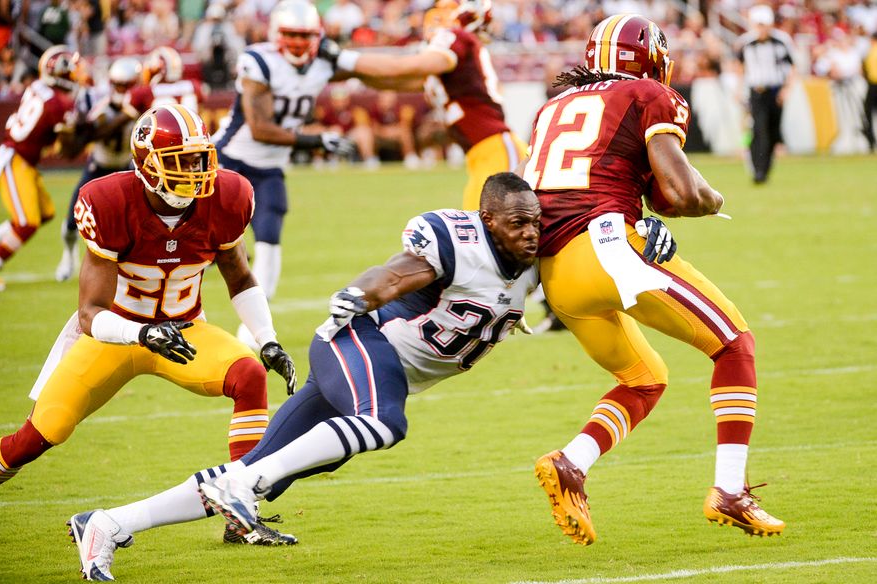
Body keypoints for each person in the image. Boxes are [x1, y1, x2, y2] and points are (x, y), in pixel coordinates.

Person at [66, 172, 544, 581]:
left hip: (379, 368)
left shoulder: (540, 264)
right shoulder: (458, 242)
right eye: (518, 222)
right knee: (384, 422)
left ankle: (106, 523)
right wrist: (360, 293)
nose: (530, 233)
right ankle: (241, 487)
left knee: (253, 474)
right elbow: (395, 275)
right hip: (359, 341)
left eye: (536, 222)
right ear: (487, 221)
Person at [523, 14, 785, 546]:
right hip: (608, 250)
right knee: (735, 345)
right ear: (651, 59)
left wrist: (650, 205)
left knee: (645, 377)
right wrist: (713, 201)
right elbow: (683, 193)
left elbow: (612, 174)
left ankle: (572, 463)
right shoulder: (648, 93)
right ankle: (729, 490)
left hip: (554, 275)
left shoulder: (552, 107)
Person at [0, 106, 298, 552]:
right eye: (181, 160)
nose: (196, 171)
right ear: (147, 164)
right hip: (113, 334)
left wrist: (268, 339)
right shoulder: (109, 201)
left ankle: (242, 515)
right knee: (41, 434)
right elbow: (90, 314)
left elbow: (239, 276)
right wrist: (141, 334)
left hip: (183, 331)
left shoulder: (227, 197)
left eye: (199, 159)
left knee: (249, 374)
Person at [210, 0, 356, 347]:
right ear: (276, 33)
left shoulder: (322, 64)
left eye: (303, 35)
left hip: (270, 167)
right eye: (290, 34)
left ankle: (252, 332)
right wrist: (316, 140)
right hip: (229, 161)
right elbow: (259, 128)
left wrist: (429, 63)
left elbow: (369, 69)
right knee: (201, 243)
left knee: (270, 242)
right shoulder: (258, 61)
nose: (296, 42)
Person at [326, 0, 527, 210]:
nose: (434, 17)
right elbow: (393, 79)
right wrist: (341, 73)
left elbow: (404, 66)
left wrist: (343, 58)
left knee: (490, 231)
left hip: (495, 148)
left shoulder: (458, 38)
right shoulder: (458, 59)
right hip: (482, 154)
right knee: (479, 232)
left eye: (443, 10)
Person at [55, 56, 143, 282]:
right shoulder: (96, 101)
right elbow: (81, 141)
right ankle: (68, 255)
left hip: (127, 168)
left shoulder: (142, 102)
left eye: (127, 85)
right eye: (118, 85)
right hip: (99, 166)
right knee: (72, 222)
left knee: (134, 223)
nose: (121, 90)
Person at [0, 45, 79, 281]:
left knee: (45, 213)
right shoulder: (58, 104)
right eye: (70, 71)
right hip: (15, 158)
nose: (73, 76)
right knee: (26, 223)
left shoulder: (36, 86)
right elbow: (64, 147)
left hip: (22, 159)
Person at [735, 4, 796, 184]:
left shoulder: (782, 41)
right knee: (759, 129)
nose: (762, 29)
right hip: (757, 91)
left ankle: (765, 169)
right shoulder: (746, 43)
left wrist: (787, 89)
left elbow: (792, 67)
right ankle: (758, 170)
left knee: (772, 131)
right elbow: (740, 68)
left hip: (776, 91)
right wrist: (739, 89)